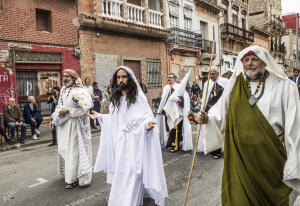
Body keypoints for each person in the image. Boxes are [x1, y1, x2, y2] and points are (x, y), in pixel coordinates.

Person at [198, 46, 300, 205]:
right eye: (246, 60)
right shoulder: (234, 85)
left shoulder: (285, 86)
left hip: (271, 158)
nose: (249, 63)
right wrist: (207, 119)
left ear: (264, 61)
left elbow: (294, 125)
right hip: (240, 157)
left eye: (254, 59)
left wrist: (294, 161)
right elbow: (220, 111)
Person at [90, 66, 168, 206]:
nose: (121, 80)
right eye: (118, 77)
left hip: (135, 143)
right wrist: (100, 116)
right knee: (122, 174)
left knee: (133, 174)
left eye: (124, 77)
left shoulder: (138, 97)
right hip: (120, 144)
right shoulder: (116, 100)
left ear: (130, 79)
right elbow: (114, 120)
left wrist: (146, 126)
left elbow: (145, 116)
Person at [50, 69, 93, 189]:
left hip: (74, 125)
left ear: (74, 78)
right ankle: (69, 173)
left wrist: (69, 110)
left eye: (68, 76)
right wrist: (54, 119)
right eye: (64, 76)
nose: (65, 78)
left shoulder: (80, 90)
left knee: (72, 151)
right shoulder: (63, 89)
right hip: (63, 125)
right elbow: (59, 105)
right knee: (64, 149)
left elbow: (85, 109)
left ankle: (72, 179)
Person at [156, 72, 193, 152]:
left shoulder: (179, 87)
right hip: (168, 112)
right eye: (168, 77)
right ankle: (170, 143)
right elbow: (163, 100)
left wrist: (179, 99)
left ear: (174, 79)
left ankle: (175, 146)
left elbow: (185, 98)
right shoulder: (166, 88)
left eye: (171, 77)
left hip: (177, 113)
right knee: (169, 128)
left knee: (175, 129)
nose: (169, 78)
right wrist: (161, 109)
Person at [197, 67, 228, 158]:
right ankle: (211, 148)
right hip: (209, 110)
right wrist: (202, 109)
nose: (211, 76)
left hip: (220, 110)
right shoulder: (207, 83)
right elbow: (205, 98)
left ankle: (217, 151)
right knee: (209, 129)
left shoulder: (225, 82)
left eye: (213, 74)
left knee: (218, 130)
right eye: (209, 74)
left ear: (218, 73)